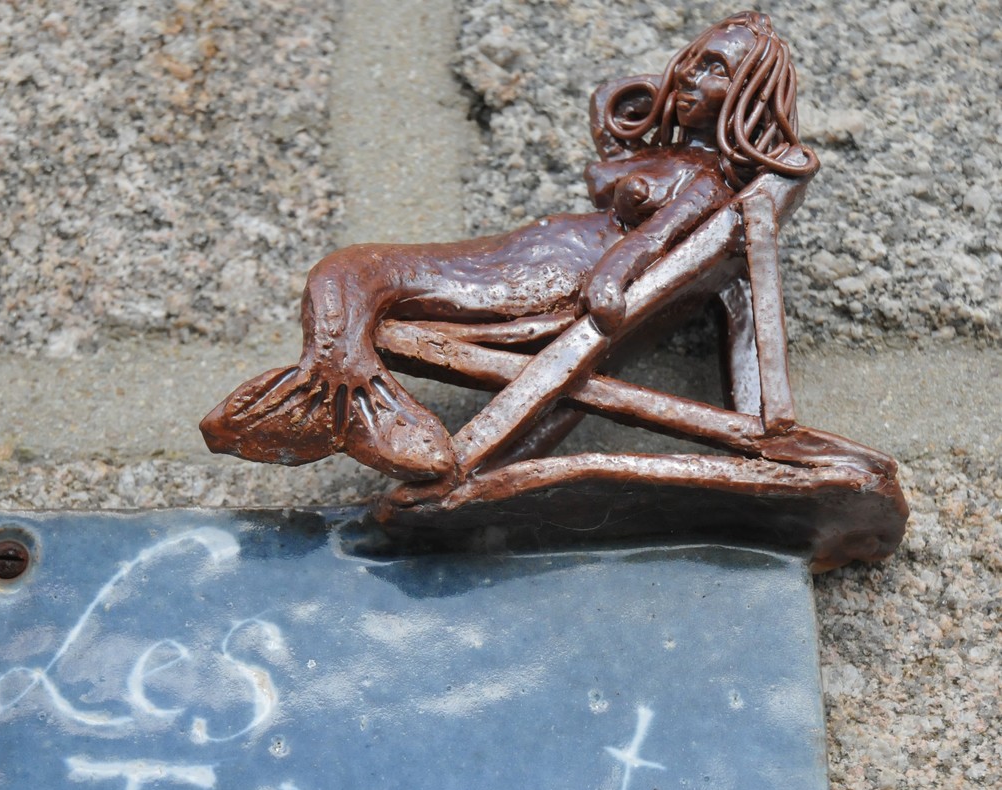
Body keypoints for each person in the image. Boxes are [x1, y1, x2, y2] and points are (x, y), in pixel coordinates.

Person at [202, 12, 818, 482]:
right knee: (349, 270)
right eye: (692, 61)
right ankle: (348, 388)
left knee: (358, 271)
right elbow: (613, 117)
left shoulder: (708, 183)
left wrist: (610, 279)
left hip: (555, 276)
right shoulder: (670, 154)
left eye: (717, 70)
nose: (689, 77)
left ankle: (351, 404)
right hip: (523, 256)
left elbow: (656, 238)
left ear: (750, 97)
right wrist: (643, 97)